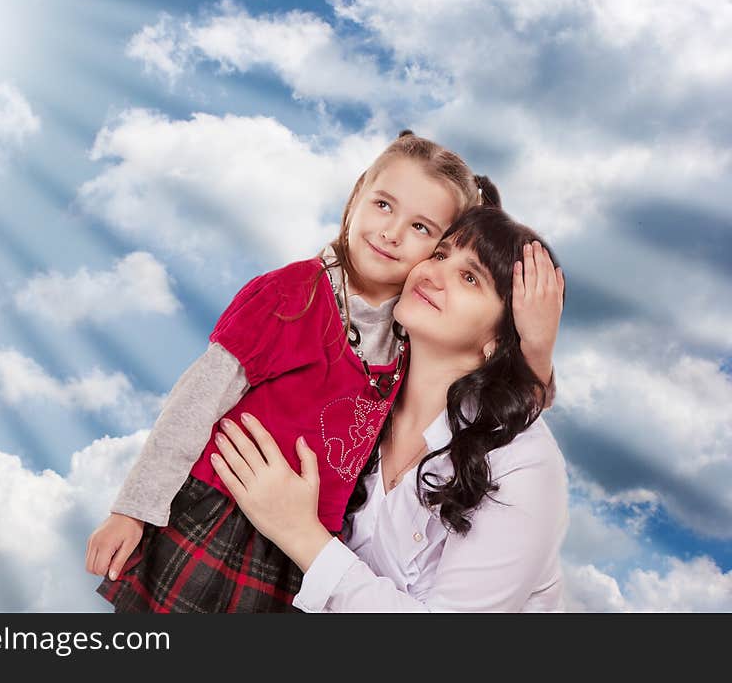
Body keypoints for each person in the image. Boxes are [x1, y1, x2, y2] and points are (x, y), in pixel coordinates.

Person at [85, 131, 557, 612]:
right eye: (383, 205)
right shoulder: (291, 296)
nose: (393, 233)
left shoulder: (410, 337)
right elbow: (194, 401)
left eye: (422, 230)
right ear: (356, 198)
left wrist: (534, 347)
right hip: (224, 521)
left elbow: (503, 398)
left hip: (306, 554)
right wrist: (133, 510)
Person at [211, 207, 568, 612]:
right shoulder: (360, 397)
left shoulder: (523, 465)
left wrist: (301, 534)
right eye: (439, 255)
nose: (433, 273)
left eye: (470, 278)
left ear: (501, 342)